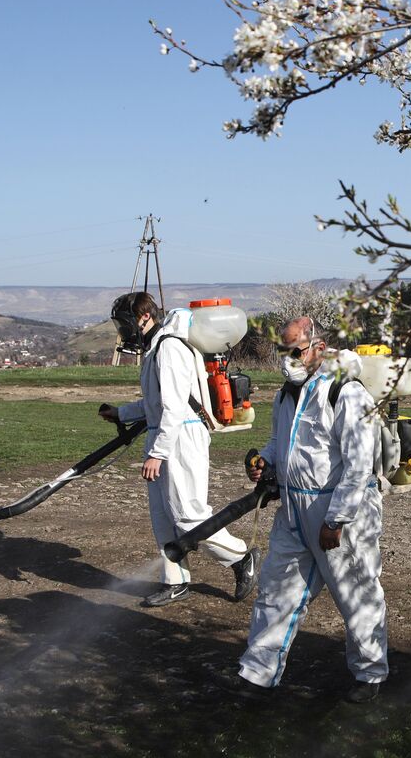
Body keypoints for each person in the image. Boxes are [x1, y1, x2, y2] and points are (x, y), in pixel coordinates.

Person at [235, 316, 389, 703]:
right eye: (282, 352)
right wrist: (265, 462)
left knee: (356, 591)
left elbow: (359, 464)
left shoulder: (345, 393)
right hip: (293, 507)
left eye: (295, 351)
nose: (288, 359)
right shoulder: (286, 394)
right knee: (276, 590)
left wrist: (336, 520)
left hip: (338, 509)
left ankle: (369, 675)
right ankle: (257, 671)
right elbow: (279, 441)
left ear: (318, 347)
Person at [101, 291, 258, 607]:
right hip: (167, 434)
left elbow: (173, 407)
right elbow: (154, 403)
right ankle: (176, 581)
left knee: (188, 516)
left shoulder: (170, 348)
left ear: (145, 317)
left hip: (182, 438)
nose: (125, 330)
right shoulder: (156, 348)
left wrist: (157, 454)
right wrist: (121, 413)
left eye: (127, 322)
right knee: (163, 518)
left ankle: (242, 557)